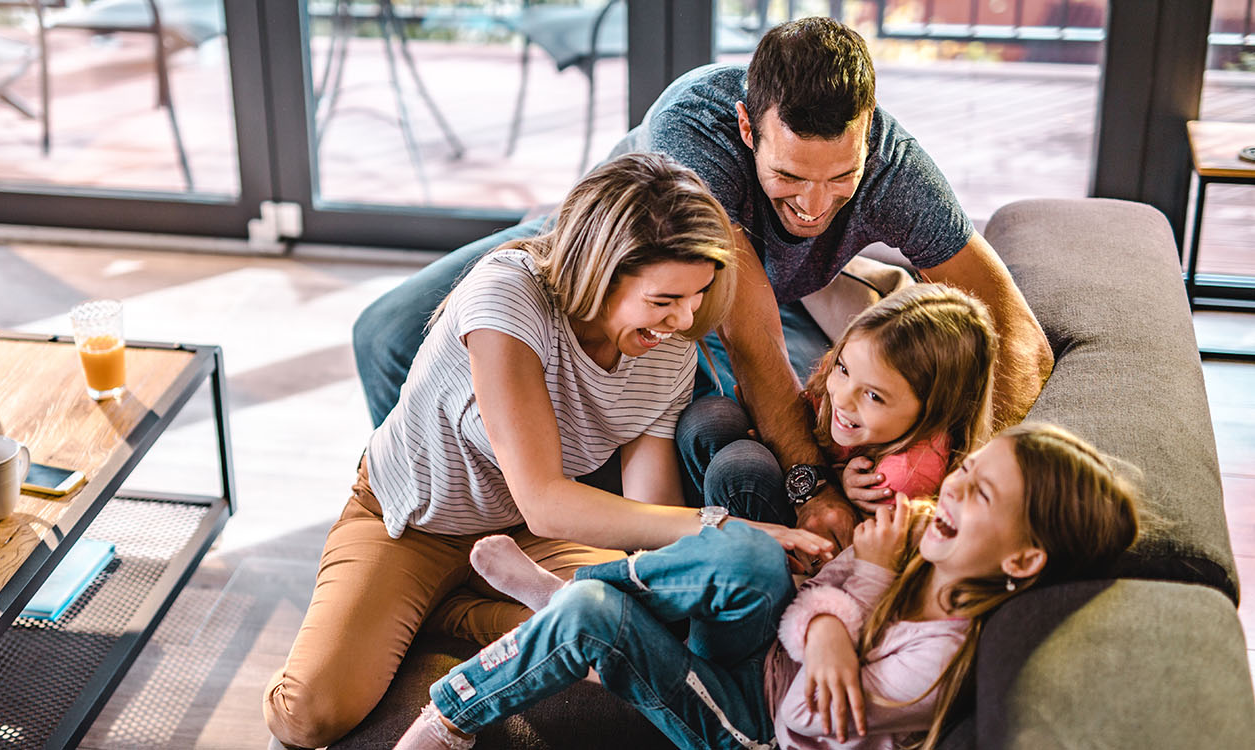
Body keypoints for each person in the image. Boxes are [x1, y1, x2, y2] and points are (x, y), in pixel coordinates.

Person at [351, 17, 1054, 554]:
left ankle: (553, 524)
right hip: (601, 250)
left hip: (754, 297)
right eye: (788, 178)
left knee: (812, 404)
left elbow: (1019, 333)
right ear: (749, 128)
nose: (814, 207)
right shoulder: (696, 131)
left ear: (868, 133)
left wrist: (959, 473)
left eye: (841, 179)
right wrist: (812, 490)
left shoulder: (896, 169)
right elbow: (749, 339)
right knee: (384, 334)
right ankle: (448, 535)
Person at [264, 153, 835, 749]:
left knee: (639, 636)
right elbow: (543, 498)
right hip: (417, 522)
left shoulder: (666, 345)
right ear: (600, 272)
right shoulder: (508, 298)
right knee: (311, 715)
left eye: (698, 296)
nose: (686, 318)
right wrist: (726, 527)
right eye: (665, 298)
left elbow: (650, 510)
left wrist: (719, 557)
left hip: (533, 538)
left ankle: (465, 604)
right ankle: (449, 605)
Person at [394, 423, 1140, 750]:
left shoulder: (937, 659)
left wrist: (856, 589)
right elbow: (803, 622)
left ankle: (451, 716)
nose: (952, 491)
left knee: (593, 616)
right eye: (967, 472)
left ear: (1021, 561)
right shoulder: (915, 544)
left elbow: (813, 718)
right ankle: (578, 590)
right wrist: (832, 599)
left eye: (980, 498)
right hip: (764, 658)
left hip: (755, 725)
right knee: (750, 555)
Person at [681, 284, 998, 529]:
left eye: (873, 396)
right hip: (807, 482)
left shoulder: (904, 477)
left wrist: (844, 490)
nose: (842, 398)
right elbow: (810, 412)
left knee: (739, 469)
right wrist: (772, 431)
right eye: (843, 369)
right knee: (708, 417)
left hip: (816, 552)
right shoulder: (840, 382)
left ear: (935, 411)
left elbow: (853, 546)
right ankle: (686, 527)